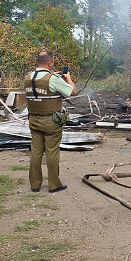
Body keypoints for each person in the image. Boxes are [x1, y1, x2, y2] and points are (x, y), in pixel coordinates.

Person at [25, 50, 77, 193]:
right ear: (50, 62)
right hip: (51, 122)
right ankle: (54, 184)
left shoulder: (28, 77)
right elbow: (73, 92)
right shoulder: (53, 78)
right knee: (52, 152)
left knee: (36, 153)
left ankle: (35, 185)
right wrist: (68, 78)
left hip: (34, 120)